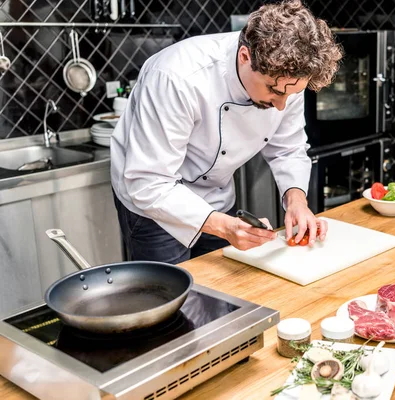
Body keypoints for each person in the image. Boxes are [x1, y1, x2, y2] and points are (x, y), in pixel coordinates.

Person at [110, 0, 343, 264]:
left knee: (225, 294)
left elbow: (288, 148)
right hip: (155, 207)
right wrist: (225, 227)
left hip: (217, 197)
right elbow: (148, 181)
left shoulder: (287, 80)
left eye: (291, 95)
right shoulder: (176, 77)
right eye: (274, 92)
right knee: (173, 299)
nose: (281, 106)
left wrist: (297, 201)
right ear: (245, 57)